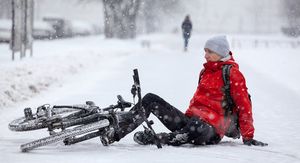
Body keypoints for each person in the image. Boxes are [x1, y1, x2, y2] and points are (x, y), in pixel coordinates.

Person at [104, 35, 268, 147]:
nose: (205, 55)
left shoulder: (232, 74)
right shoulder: (205, 71)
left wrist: (248, 137)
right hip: (192, 123)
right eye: (205, 51)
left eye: (209, 51)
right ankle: (116, 133)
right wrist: (185, 118)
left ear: (220, 53)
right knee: (149, 99)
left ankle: (157, 138)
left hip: (211, 131)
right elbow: (198, 101)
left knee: (197, 125)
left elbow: (244, 106)